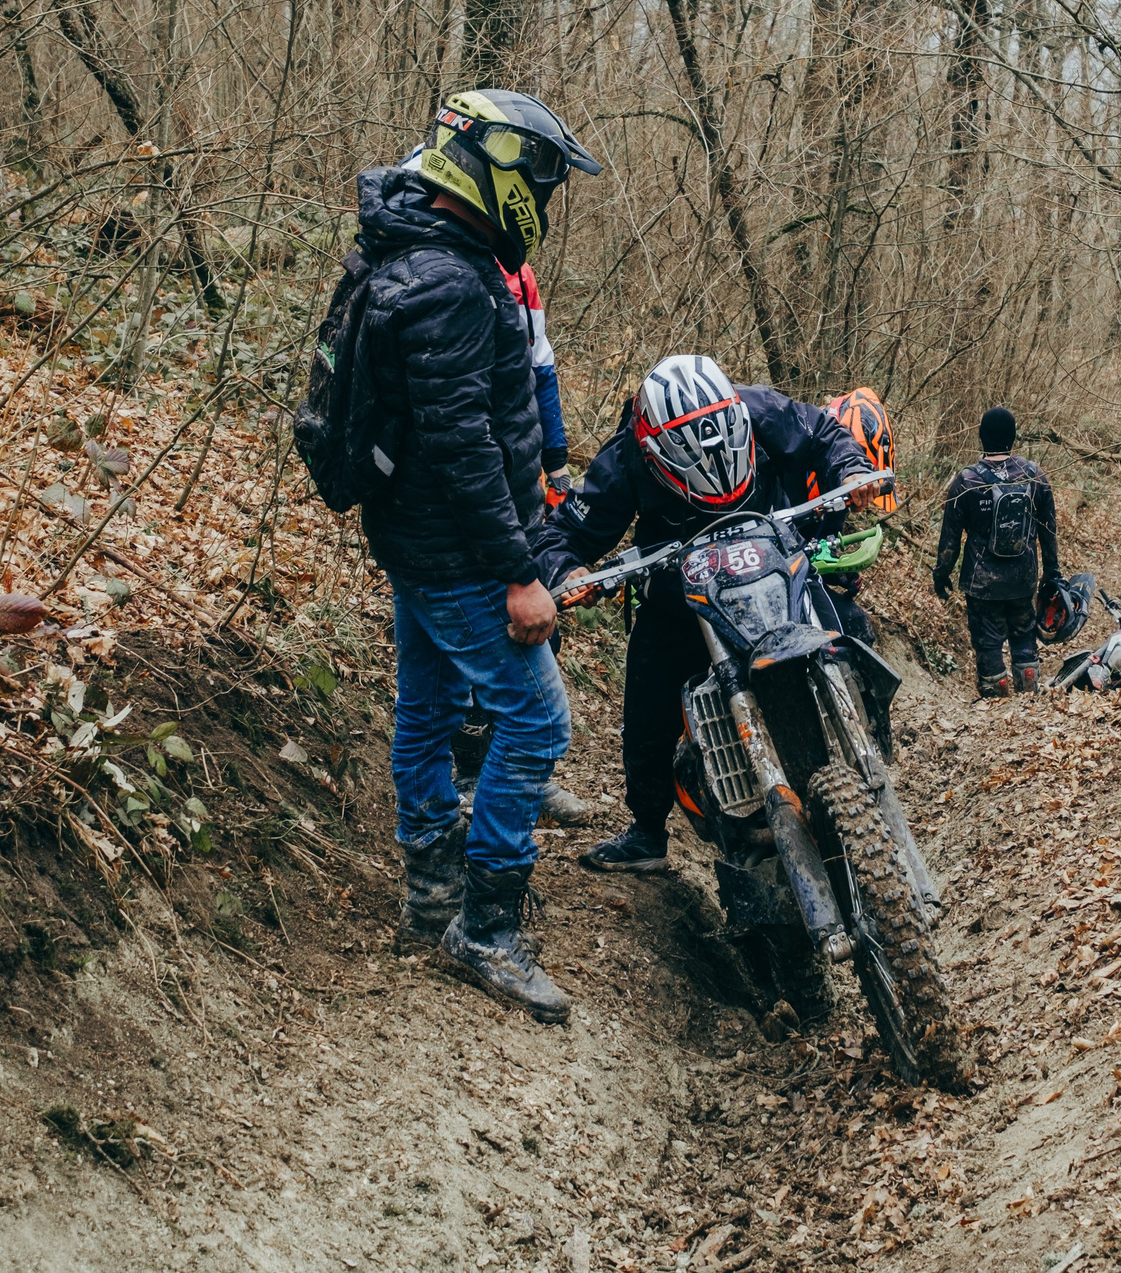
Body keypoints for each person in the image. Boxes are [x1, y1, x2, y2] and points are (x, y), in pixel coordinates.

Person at [358, 88, 599, 1023]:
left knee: (422, 705)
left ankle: (429, 888)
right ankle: (486, 926)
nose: (544, 194)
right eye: (538, 175)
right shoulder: (455, 282)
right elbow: (464, 448)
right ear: (492, 169)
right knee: (537, 725)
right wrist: (520, 572)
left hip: (415, 538)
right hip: (456, 548)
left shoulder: (412, 251)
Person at [532, 355, 875, 874]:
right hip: (680, 601)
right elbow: (565, 531)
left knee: (849, 627)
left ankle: (868, 750)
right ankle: (647, 830)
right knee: (648, 701)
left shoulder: (759, 407)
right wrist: (568, 571)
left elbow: (824, 431)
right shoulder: (628, 455)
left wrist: (851, 468)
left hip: (777, 570)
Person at [448, 249, 593, 827]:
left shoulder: (520, 274)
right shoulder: (441, 266)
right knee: (469, 627)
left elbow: (542, 368)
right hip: (462, 478)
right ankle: (463, 774)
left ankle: (526, 774)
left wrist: (556, 463)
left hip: (520, 478)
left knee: (538, 612)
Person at [934, 406, 1060, 699]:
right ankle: (1029, 692)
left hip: (982, 584)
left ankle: (995, 701)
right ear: (1013, 437)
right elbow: (1048, 530)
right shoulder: (1034, 476)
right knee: (1024, 634)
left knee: (988, 643)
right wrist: (1052, 571)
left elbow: (949, 539)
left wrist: (941, 575)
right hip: (1023, 578)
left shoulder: (966, 482)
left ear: (981, 438)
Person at [811, 388, 895, 645]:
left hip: (799, 578)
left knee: (856, 626)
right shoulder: (789, 466)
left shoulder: (837, 498)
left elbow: (819, 546)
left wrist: (839, 572)